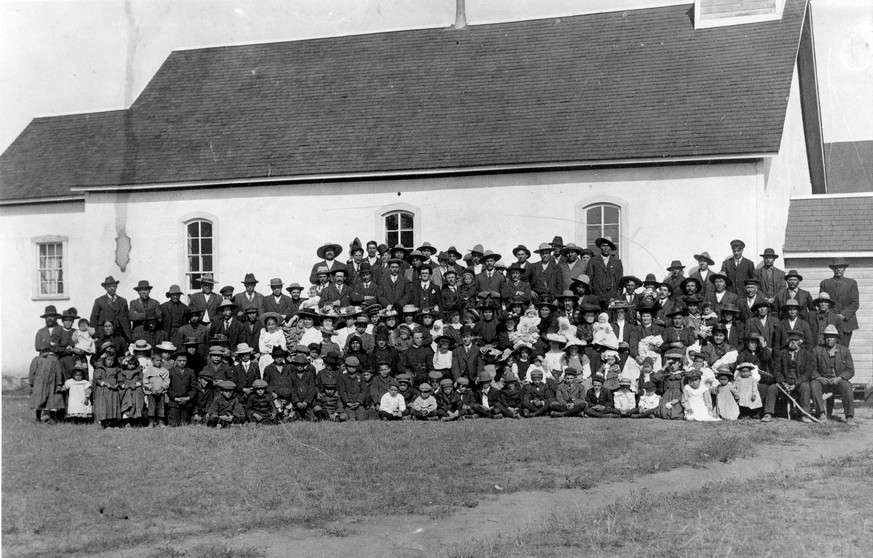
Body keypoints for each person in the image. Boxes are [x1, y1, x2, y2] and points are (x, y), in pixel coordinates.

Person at [761, 330, 813, 423]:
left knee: (806, 387)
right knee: (772, 388)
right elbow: (777, 371)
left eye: (796, 340)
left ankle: (805, 415)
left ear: (800, 342)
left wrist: (796, 384)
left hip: (799, 384)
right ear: (788, 341)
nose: (793, 342)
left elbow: (807, 373)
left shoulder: (806, 354)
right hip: (784, 383)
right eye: (791, 340)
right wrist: (783, 382)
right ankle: (768, 413)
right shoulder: (782, 353)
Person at [811, 325, 855, 423]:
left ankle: (849, 416)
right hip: (823, 381)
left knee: (847, 386)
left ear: (836, 338)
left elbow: (850, 370)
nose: (829, 339)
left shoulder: (844, 351)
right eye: (827, 336)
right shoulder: (817, 350)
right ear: (824, 338)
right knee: (814, 384)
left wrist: (839, 378)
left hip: (838, 381)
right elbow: (811, 369)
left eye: (832, 336)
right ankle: (821, 414)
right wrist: (819, 377)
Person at [819, 259, 859, 348]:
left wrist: (843, 315)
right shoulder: (825, 283)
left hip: (846, 322)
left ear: (844, 269)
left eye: (840, 267)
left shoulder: (852, 283)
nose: (838, 270)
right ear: (833, 269)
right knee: (828, 346)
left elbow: (855, 303)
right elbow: (823, 302)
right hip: (829, 320)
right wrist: (833, 316)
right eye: (836, 267)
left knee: (843, 348)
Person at [29, 340, 65, 423]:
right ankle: (38, 418)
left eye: (46, 350)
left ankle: (52, 418)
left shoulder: (54, 360)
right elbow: (32, 372)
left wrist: (59, 384)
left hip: (51, 384)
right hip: (39, 384)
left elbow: (58, 372)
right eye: (42, 351)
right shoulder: (36, 360)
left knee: (51, 400)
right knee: (39, 400)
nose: (44, 353)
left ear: (49, 351)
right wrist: (31, 384)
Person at [89, 276, 132, 341]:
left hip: (121, 333)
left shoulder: (123, 301)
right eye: (109, 286)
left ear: (116, 287)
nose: (112, 288)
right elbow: (93, 319)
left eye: (113, 286)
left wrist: (127, 332)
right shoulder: (99, 301)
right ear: (105, 288)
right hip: (104, 334)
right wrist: (96, 336)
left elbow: (127, 318)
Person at [92, 343, 121, 428]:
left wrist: (117, 384)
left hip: (113, 391)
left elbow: (119, 379)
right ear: (104, 359)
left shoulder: (116, 369)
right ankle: (104, 423)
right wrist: (105, 384)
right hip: (104, 390)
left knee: (112, 406)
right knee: (104, 406)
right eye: (108, 360)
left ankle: (112, 422)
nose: (110, 362)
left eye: (111, 360)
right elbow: (97, 380)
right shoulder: (100, 368)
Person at [143, 352, 170, 426]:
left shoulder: (164, 370)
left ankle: (161, 421)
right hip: (151, 392)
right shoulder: (148, 370)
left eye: (160, 360)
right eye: (156, 360)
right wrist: (151, 388)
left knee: (161, 406)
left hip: (161, 391)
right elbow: (145, 381)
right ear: (152, 361)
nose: (159, 362)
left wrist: (162, 389)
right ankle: (151, 421)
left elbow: (167, 381)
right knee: (151, 407)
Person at [118, 355, 145, 426]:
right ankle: (126, 422)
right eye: (130, 364)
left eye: (133, 364)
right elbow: (120, 381)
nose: (131, 366)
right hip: (125, 391)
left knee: (136, 404)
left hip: (136, 390)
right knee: (126, 405)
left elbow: (142, 380)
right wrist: (124, 385)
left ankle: (136, 421)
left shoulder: (138, 371)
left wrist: (136, 384)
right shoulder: (122, 372)